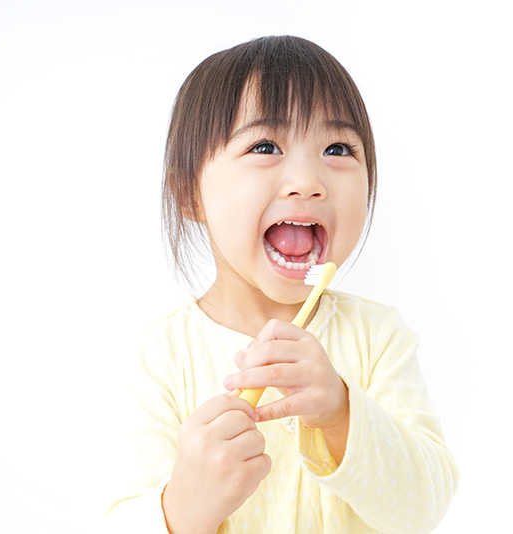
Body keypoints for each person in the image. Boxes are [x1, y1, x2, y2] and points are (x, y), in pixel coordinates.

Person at [103, 36, 458, 533]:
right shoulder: (162, 356)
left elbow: (422, 509)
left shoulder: (377, 337)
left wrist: (341, 413)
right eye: (264, 146)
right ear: (189, 194)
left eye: (337, 148)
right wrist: (183, 507)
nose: (307, 182)